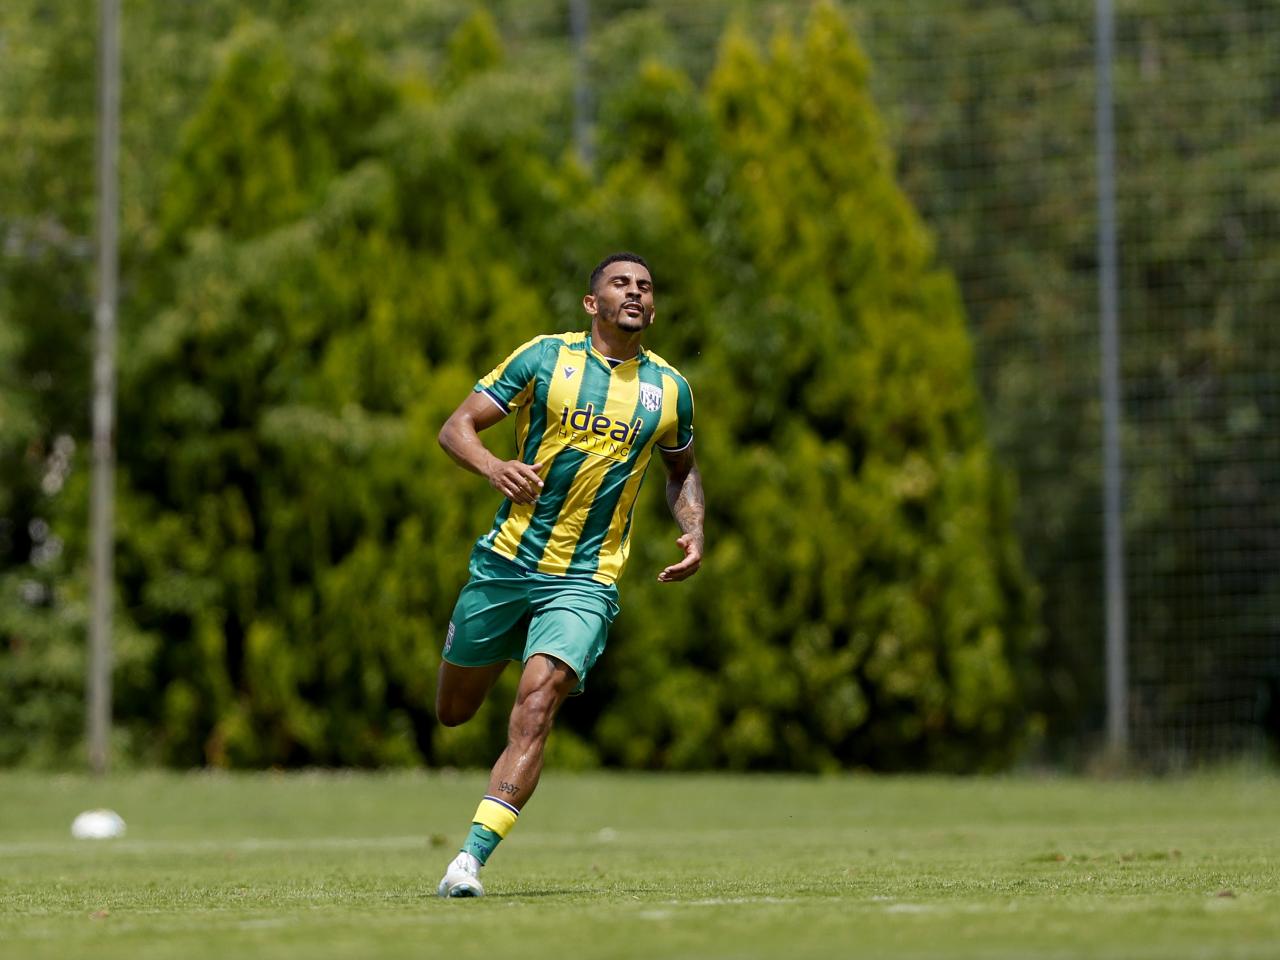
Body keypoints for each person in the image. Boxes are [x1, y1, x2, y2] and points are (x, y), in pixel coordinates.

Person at [433, 252, 705, 898]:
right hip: (506, 562)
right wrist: (494, 467)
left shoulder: (670, 390)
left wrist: (694, 526)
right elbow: (456, 428)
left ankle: (468, 861)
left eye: (645, 287)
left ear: (653, 309)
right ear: (591, 303)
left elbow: (682, 469)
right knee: (453, 711)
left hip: (586, 579)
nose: (635, 292)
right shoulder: (545, 358)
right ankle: (493, 645)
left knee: (536, 704)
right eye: (621, 283)